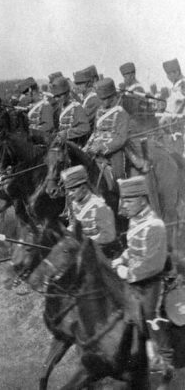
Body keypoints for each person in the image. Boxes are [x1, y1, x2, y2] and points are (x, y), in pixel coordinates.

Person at [111, 176, 173, 376]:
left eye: (128, 200)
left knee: (148, 314)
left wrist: (127, 272)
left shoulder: (155, 225)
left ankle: (163, 359)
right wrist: (121, 259)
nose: (123, 206)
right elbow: (133, 249)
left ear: (142, 199)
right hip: (135, 277)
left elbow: (152, 264)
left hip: (152, 282)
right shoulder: (136, 220)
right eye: (123, 200)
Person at [83, 78, 141, 189]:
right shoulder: (99, 111)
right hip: (96, 147)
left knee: (118, 177)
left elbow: (121, 139)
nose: (102, 102)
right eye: (101, 99)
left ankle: (122, 196)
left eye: (105, 99)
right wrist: (87, 146)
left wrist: (102, 147)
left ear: (112, 97)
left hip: (115, 150)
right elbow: (96, 132)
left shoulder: (121, 112)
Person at [60, 165, 119, 257]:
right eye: (68, 191)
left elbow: (109, 236)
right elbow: (74, 225)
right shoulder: (75, 205)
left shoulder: (99, 206)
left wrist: (85, 242)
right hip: (81, 253)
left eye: (73, 190)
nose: (70, 195)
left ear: (83, 188)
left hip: (99, 255)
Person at [50, 76, 91, 146]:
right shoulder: (58, 109)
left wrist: (67, 133)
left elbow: (85, 128)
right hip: (61, 143)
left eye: (59, 96)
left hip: (75, 145)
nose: (57, 99)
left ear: (67, 93)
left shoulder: (76, 107)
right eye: (55, 96)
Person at [19, 77, 55, 142]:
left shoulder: (45, 105)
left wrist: (31, 131)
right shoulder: (32, 104)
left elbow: (48, 125)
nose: (25, 97)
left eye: (26, 94)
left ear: (30, 90)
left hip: (42, 142)